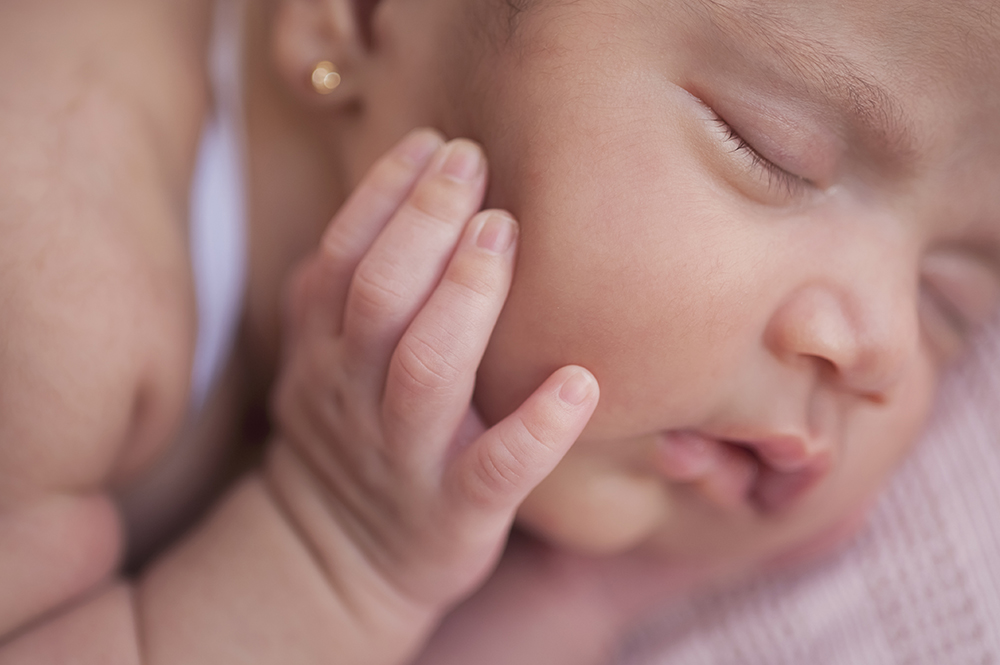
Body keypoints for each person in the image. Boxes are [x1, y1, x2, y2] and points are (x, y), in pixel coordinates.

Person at [1, 0, 999, 663]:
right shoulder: (54, 282)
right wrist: (329, 549)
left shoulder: (434, 443)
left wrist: (585, 593)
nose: (880, 348)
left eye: (950, 302)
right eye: (770, 152)